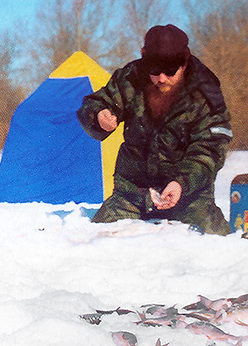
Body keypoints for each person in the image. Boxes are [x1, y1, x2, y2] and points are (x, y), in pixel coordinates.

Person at [77, 24, 233, 235]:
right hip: (132, 195)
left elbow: (210, 150)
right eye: (154, 69)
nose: (161, 78)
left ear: (184, 62)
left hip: (189, 198)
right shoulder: (130, 78)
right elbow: (94, 104)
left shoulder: (206, 92)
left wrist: (180, 184)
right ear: (144, 58)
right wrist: (99, 116)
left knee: (215, 244)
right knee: (98, 240)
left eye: (170, 71)